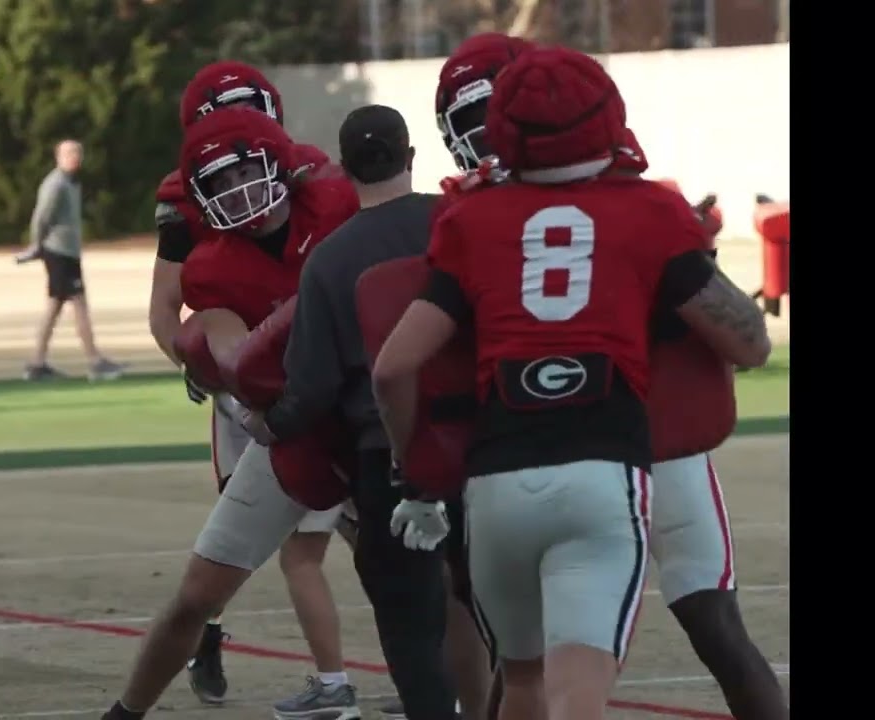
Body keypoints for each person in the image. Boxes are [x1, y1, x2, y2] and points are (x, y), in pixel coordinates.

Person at [370, 46, 771, 720]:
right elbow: (749, 341)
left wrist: (415, 470)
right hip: (619, 460)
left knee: (521, 676)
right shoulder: (649, 209)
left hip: (500, 472)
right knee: (674, 642)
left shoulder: (467, 219)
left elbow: (392, 366)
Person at [100, 107, 361, 720]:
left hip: (370, 424)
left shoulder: (337, 204)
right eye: (217, 183)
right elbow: (235, 357)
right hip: (293, 431)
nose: (236, 190)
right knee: (197, 595)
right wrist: (238, 385)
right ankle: (127, 712)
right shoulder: (212, 267)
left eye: (244, 170)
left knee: (426, 579)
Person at [243, 103, 488, 720]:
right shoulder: (461, 222)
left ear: (345, 168)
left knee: (408, 627)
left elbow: (313, 388)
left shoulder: (329, 258)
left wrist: (265, 423)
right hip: (487, 445)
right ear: (411, 157)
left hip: (390, 458)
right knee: (498, 616)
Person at [16, 139, 126, 381]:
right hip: (59, 253)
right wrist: (37, 246)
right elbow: (41, 218)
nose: (74, 157)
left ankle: (37, 363)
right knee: (79, 304)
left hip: (67, 253)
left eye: (77, 153)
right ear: (58, 157)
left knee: (55, 306)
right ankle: (95, 361)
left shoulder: (70, 182)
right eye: (68, 153)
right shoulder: (55, 184)